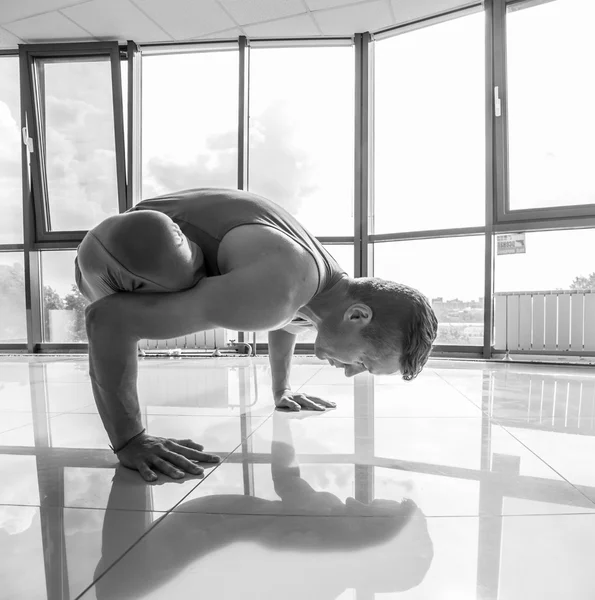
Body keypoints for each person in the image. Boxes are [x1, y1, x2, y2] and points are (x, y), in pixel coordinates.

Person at [76, 188, 438, 481]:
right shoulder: (276, 292)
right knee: (169, 262)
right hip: (119, 251)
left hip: (164, 227)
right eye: (363, 361)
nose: (348, 371)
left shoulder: (322, 286)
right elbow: (109, 322)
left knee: (261, 300)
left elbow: (288, 321)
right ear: (358, 315)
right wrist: (131, 441)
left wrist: (282, 389)